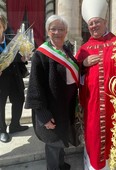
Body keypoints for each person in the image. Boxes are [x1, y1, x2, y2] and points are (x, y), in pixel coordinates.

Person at [75, 0, 116, 169]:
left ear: (105, 22)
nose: (94, 25)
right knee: (95, 138)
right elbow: (73, 74)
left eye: (97, 22)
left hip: (115, 106)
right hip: (94, 106)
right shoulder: (84, 49)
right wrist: (83, 64)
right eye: (91, 23)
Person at [25, 15, 79, 170]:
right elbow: (35, 88)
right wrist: (44, 116)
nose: (57, 32)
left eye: (61, 29)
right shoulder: (40, 54)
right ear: (48, 31)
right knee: (53, 144)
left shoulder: (66, 50)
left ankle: (61, 165)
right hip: (51, 110)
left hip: (65, 107)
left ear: (66, 32)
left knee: (61, 140)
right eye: (53, 29)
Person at [0, 14, 29, 143]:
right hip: (1, 81)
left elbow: (19, 59)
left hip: (15, 77)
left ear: (4, 26)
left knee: (19, 100)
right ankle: (1, 130)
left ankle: (15, 125)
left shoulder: (13, 41)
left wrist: (23, 59)